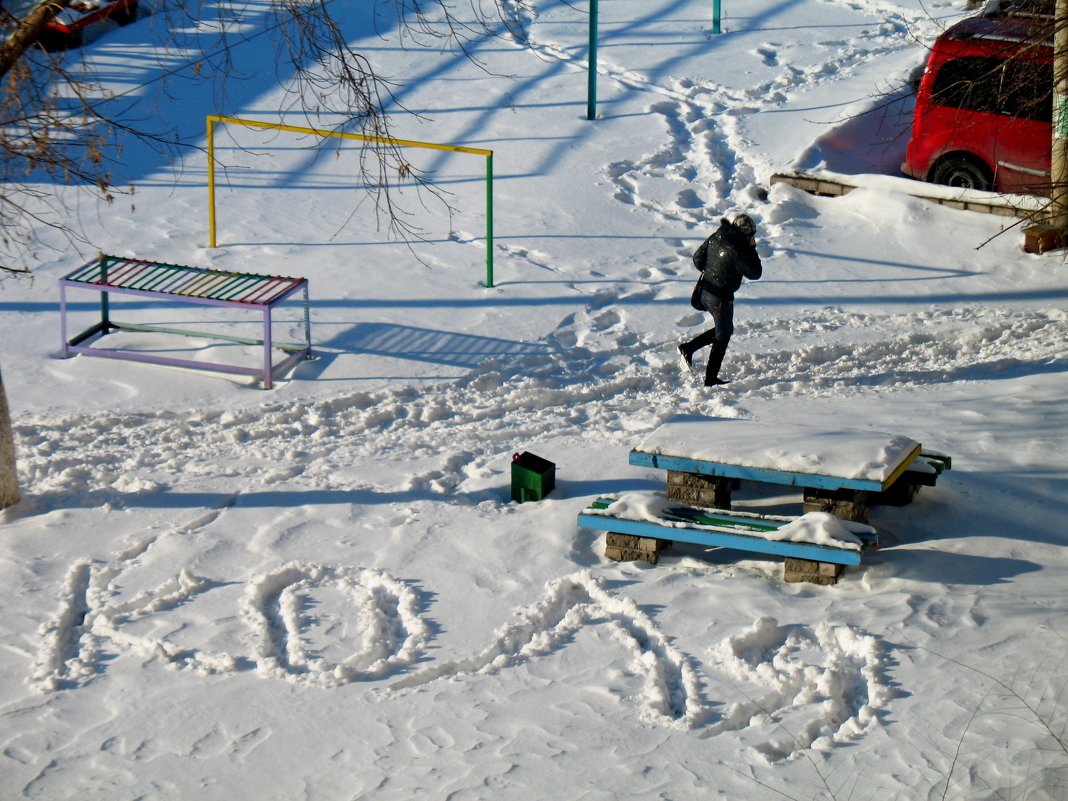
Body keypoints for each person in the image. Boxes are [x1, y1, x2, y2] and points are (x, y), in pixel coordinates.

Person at [678, 214, 762, 386]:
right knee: (723, 335)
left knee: (723, 329)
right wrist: (752, 249)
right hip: (720, 298)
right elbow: (755, 273)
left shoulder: (718, 235)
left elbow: (697, 259)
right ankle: (710, 379)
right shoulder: (739, 248)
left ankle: (688, 349)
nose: (752, 239)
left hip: (705, 291)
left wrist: (712, 270)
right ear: (745, 234)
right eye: (751, 236)